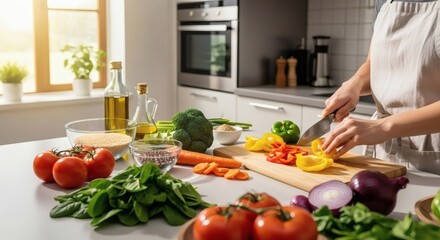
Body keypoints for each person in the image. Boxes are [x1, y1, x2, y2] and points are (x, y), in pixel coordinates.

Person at [320, 0, 440, 175]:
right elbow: (374, 64)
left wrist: (383, 127)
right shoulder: (383, 2)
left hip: (433, 159)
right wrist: (355, 83)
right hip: (385, 153)